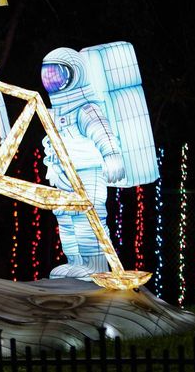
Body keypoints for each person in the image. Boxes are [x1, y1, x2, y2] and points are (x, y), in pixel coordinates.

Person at [40, 48, 123, 279]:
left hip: (88, 172)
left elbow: (103, 132)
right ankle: (75, 261)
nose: (51, 79)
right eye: (48, 75)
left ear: (74, 74)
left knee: (89, 216)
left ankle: (95, 265)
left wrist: (111, 155)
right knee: (66, 218)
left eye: (56, 74)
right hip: (63, 174)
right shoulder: (56, 112)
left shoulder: (87, 109)